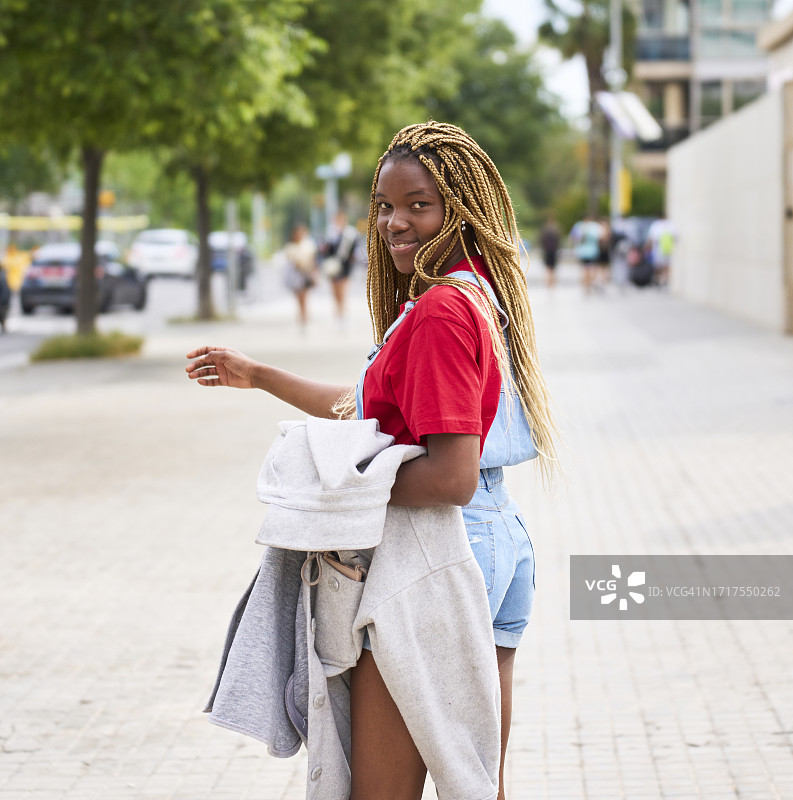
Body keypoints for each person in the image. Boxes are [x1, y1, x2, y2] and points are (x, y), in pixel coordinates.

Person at [185, 121, 559, 800]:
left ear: (460, 208)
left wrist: (333, 492)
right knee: (477, 785)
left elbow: (450, 477)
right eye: (385, 206)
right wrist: (259, 375)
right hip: (495, 541)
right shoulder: (474, 292)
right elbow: (366, 409)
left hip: (439, 552)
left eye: (419, 204)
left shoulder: (441, 312)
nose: (395, 222)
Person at [321, 210, 361, 326]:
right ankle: (338, 312)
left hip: (345, 266)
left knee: (342, 291)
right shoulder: (330, 233)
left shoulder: (350, 233)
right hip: (332, 266)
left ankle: (342, 314)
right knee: (335, 292)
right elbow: (326, 250)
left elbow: (355, 249)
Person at [282, 223, 318, 330]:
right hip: (295, 276)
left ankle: (304, 317)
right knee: (299, 297)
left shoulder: (309, 245)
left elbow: (313, 260)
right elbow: (289, 261)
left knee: (304, 296)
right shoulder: (290, 247)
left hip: (306, 274)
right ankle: (302, 316)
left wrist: (312, 272)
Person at [569, 215, 604, 294]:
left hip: (585, 252)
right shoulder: (593, 227)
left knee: (586, 269)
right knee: (589, 269)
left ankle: (587, 286)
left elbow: (572, 237)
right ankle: (588, 285)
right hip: (590, 252)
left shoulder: (580, 226)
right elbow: (602, 236)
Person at [539, 215, 561, 289]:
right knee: (552, 269)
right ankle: (551, 283)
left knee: (548, 268)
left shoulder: (545, 231)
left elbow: (541, 241)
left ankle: (548, 283)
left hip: (547, 251)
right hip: (553, 251)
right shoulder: (556, 231)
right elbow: (559, 241)